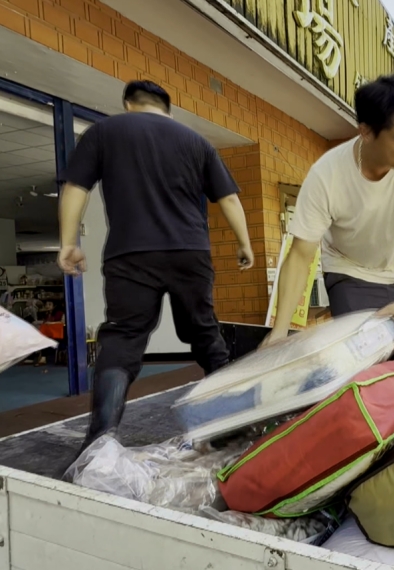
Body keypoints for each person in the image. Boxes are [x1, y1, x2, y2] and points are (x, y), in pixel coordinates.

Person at [58, 80, 254, 453]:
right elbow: (228, 198)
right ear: (167, 108)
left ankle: (100, 438)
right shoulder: (196, 141)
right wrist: (244, 243)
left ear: (128, 104)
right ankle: (232, 425)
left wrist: (69, 242)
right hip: (189, 252)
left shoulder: (103, 132)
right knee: (205, 334)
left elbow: (75, 187)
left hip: (130, 253)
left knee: (122, 338)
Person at [260, 74, 394, 352]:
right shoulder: (327, 175)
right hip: (349, 270)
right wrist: (279, 331)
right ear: (366, 132)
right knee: (365, 353)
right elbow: (300, 255)